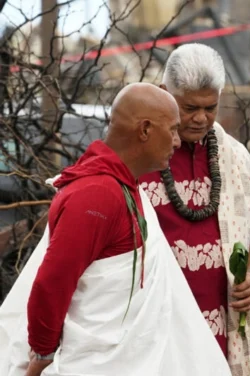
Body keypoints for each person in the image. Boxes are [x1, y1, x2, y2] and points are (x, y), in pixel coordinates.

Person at [0, 83, 233, 376]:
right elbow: (52, 284)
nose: (176, 141)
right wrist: (42, 355)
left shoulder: (123, 185)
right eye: (172, 130)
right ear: (145, 130)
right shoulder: (97, 193)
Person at [139, 43, 250, 374]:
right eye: (190, 107)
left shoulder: (234, 158)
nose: (201, 118)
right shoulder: (139, 154)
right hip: (153, 327)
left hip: (222, 330)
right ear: (164, 93)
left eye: (211, 107)